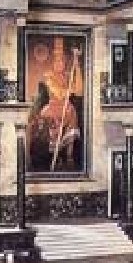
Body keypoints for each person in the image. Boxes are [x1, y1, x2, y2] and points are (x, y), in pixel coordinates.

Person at [38, 38, 83, 170]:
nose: (60, 64)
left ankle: (69, 155)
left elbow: (79, 91)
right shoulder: (48, 76)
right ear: (53, 62)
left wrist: (77, 66)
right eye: (57, 61)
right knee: (52, 119)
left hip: (66, 107)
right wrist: (68, 91)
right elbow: (57, 93)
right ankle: (55, 156)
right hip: (53, 107)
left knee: (71, 111)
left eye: (62, 61)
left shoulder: (67, 76)